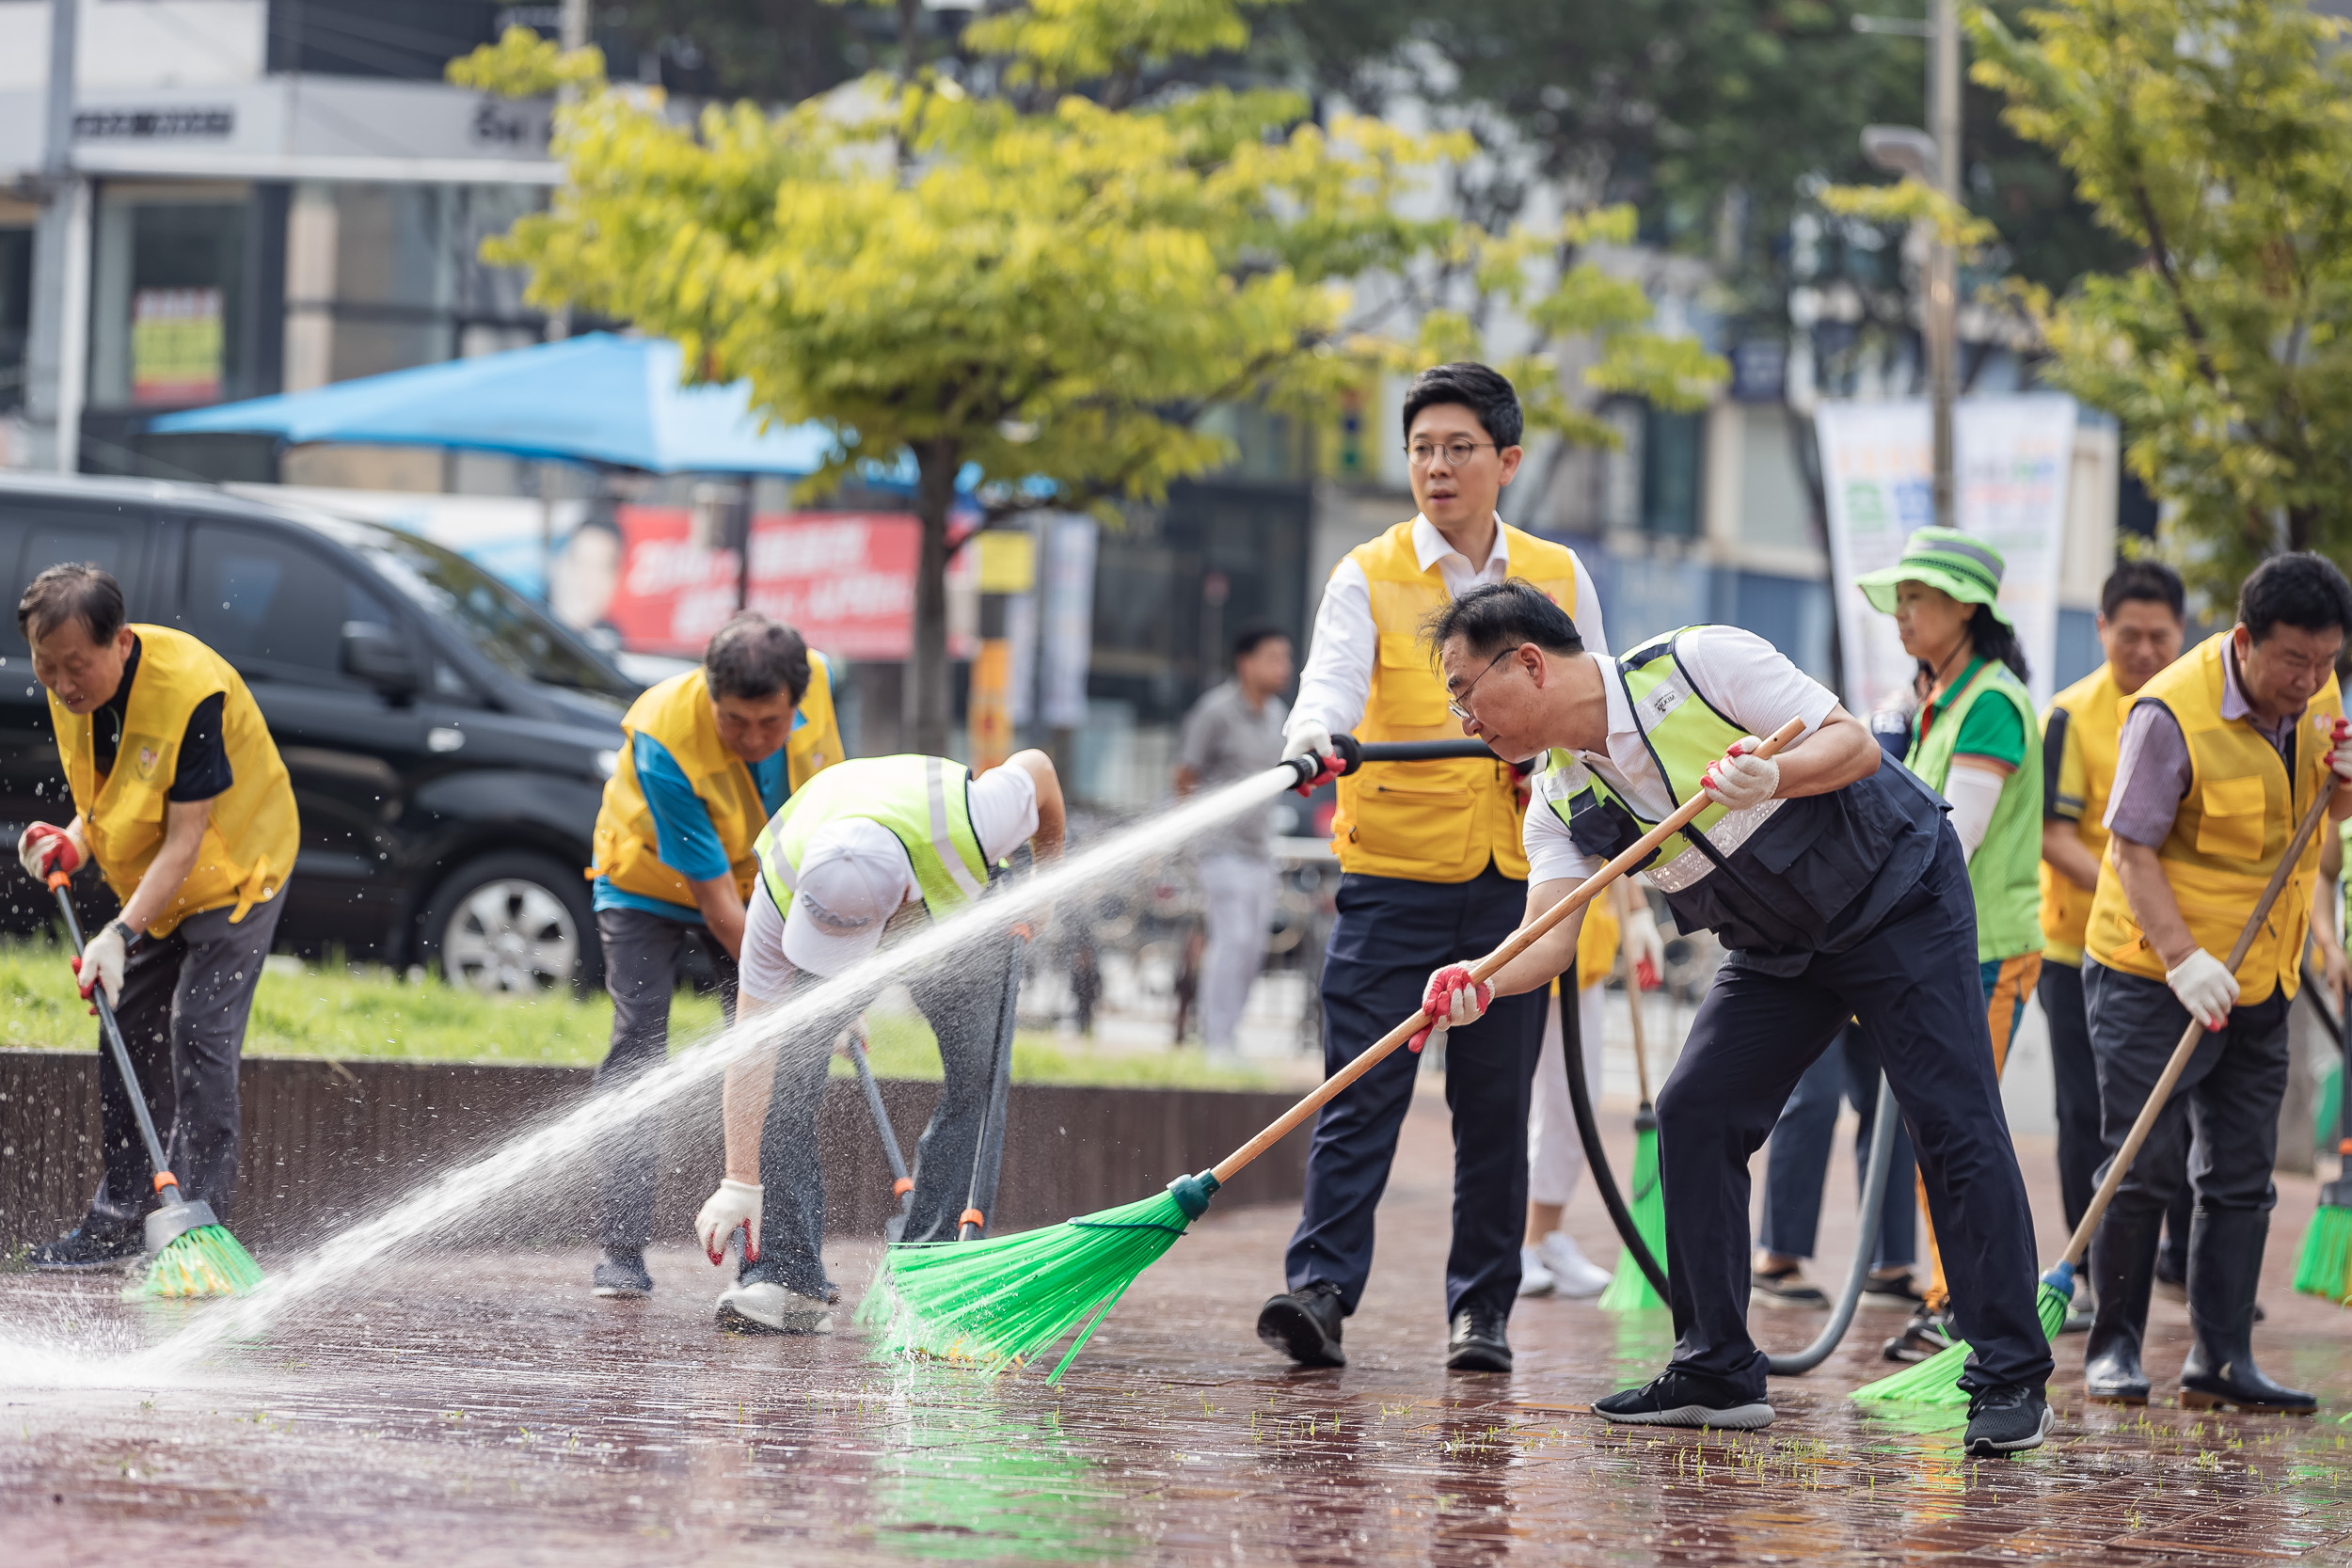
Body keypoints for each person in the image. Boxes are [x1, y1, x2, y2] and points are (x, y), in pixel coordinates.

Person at [1422, 579, 2055, 1456]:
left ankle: (2010, 1371)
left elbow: (1854, 745)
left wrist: (1775, 775)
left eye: (1463, 689)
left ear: (1528, 662)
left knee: (1948, 1119)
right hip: (1776, 951)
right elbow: (1550, 938)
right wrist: (1481, 980)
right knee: (1697, 1109)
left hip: (1897, 898)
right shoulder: (1558, 799)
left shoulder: (1695, 663)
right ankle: (1716, 1366)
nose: (1462, 716)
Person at [1260, 361, 1607, 1375]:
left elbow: (1594, 706)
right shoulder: (1365, 572)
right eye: (1421, 448)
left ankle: (1480, 1309)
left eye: (1459, 448)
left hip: (1517, 879)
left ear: (1505, 460)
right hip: (1391, 878)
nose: (1437, 467)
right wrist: (1313, 738)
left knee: (1492, 1102)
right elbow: (1325, 686)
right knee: (1360, 1088)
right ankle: (1320, 1291)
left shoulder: (1557, 573)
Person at [2078, 552, 2352, 1412]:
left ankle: (2222, 1354)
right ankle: (2113, 1347)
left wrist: (2345, 785)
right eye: (2292, 661)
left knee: (2241, 1173)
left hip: (2263, 973)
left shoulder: (2321, 699)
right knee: (2143, 1162)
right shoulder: (2170, 713)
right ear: (2244, 641)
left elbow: (2321, 819)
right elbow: (2130, 849)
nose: (2309, 679)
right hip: (2152, 971)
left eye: (2325, 660)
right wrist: (2182, 958)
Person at [693, 749, 1065, 1333]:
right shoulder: (781, 888)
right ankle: (786, 1277)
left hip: (960, 916)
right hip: (863, 888)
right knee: (786, 1073)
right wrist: (738, 1179)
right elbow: (752, 1046)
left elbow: (1040, 771)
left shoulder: (974, 821)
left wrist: (1046, 884)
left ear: (903, 899)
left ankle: (927, 1271)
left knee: (979, 1078)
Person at [17, 562, 299, 1269]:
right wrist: (72, 841)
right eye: (45, 667)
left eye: (75, 665)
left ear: (120, 642)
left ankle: (198, 1235)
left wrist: (118, 933)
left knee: (199, 1030)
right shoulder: (73, 689)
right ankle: (118, 1221)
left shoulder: (190, 691)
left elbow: (186, 839)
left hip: (237, 873)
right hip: (158, 886)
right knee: (124, 1029)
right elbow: (110, 791)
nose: (60, 682)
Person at [583, 611, 843, 1299]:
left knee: (777, 1053)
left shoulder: (815, 685)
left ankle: (771, 1263)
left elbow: (830, 818)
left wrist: (831, 984)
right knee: (640, 1043)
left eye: (770, 723)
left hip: (758, 886)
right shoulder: (662, 732)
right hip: (645, 885)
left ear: (797, 698)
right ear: (707, 690)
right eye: (735, 722)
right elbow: (723, 912)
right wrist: (797, 987)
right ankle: (620, 1251)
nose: (755, 740)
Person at [1852, 528, 2047, 1362]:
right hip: (1938, 952)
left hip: (1988, 949)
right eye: (1898, 597)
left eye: (1918, 597)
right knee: (1942, 1134)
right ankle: (1952, 1299)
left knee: (1962, 1135)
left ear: (1967, 607)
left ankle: (1966, 1306)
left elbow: (1952, 838)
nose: (1902, 613)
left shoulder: (1993, 702)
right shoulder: (1937, 698)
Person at [2038, 562, 2186, 1307]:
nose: (2145, 650)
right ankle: (2090, 1271)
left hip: (2176, 957)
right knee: (2085, 1113)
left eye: (2160, 636)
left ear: (2181, 634)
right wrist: (2139, 893)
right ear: (2100, 629)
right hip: (2079, 952)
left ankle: (2186, 1260)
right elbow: (2054, 835)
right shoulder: (2070, 714)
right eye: (2129, 634)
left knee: (2180, 1108)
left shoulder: (2193, 711)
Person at [1519, 881, 1662, 1298]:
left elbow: (1607, 829)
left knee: (1573, 1102)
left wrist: (1637, 911)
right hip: (1520, 940)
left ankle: (1542, 1237)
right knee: (1505, 1101)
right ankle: (1504, 1242)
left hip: (1582, 952)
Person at [1174, 624, 1295, 1056]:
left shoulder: (1279, 714)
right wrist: (1196, 834)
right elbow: (1184, 775)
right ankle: (1216, 1042)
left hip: (1261, 850)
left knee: (1254, 947)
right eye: (1273, 658)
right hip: (1220, 851)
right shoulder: (1216, 712)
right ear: (1246, 663)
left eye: (1286, 658)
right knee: (1234, 939)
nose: (1284, 667)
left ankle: (1229, 1036)